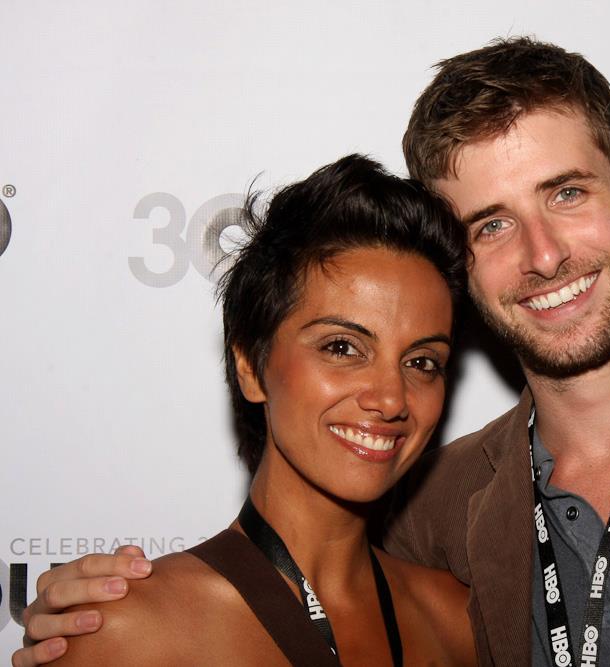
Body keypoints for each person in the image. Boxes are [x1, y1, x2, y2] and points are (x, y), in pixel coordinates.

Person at [15, 38, 610, 667]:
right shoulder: (427, 517)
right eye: (490, 223)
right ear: (459, 264)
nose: (544, 254)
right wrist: (92, 613)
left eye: (566, 192)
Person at [16, 154, 476, 666]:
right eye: (342, 348)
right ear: (251, 368)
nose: (391, 398)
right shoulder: (128, 632)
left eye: (421, 361)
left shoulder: (457, 621)